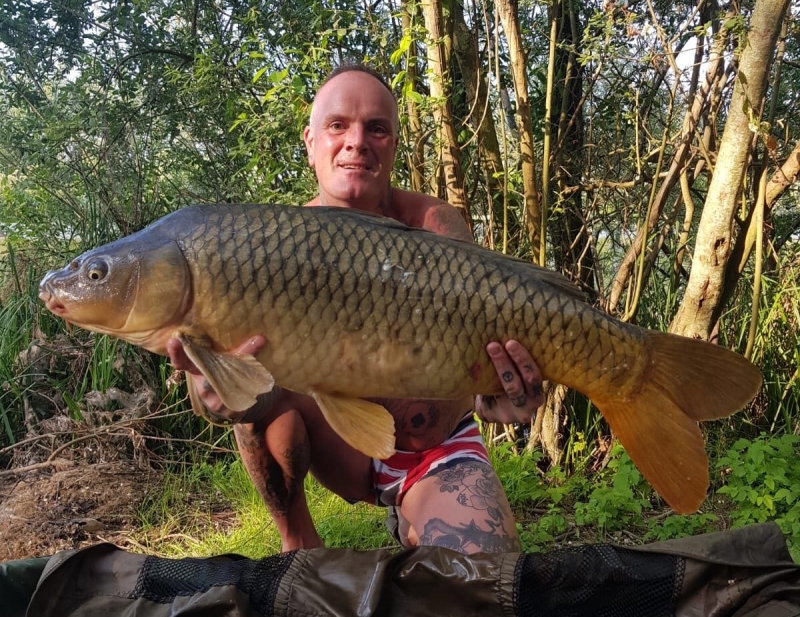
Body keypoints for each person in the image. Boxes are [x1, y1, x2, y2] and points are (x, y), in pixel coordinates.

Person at [167, 64, 544, 554]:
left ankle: (421, 512)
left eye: (377, 128)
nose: (356, 141)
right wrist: (216, 392)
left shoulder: (433, 223)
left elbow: (472, 343)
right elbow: (252, 399)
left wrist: (488, 391)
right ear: (310, 140)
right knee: (249, 380)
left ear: (393, 145)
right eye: (338, 125)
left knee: (481, 577)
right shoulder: (267, 250)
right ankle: (298, 541)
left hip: (430, 446)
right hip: (341, 451)